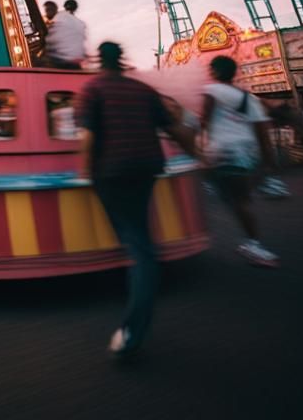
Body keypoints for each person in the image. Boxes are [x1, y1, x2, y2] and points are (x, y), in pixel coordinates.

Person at [76, 42, 197, 359]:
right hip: (146, 169)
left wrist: (86, 173)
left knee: (139, 246)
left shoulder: (91, 89)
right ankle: (138, 271)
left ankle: (133, 330)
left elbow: (87, 137)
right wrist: (200, 155)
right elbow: (175, 129)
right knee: (137, 237)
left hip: (112, 172)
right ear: (122, 60)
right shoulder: (144, 90)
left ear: (96, 61)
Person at [201, 55, 279, 267]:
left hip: (221, 153)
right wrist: (269, 161)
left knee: (235, 200)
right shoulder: (249, 98)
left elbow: (203, 121)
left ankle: (254, 246)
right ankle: (253, 242)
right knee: (239, 199)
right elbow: (262, 130)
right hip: (244, 154)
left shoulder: (212, 91)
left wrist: (197, 147)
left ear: (215, 72)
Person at [48, 0, 87, 69]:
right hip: (76, 61)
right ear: (76, 8)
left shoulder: (59, 17)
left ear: (65, 6)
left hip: (60, 60)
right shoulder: (80, 23)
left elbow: (51, 39)